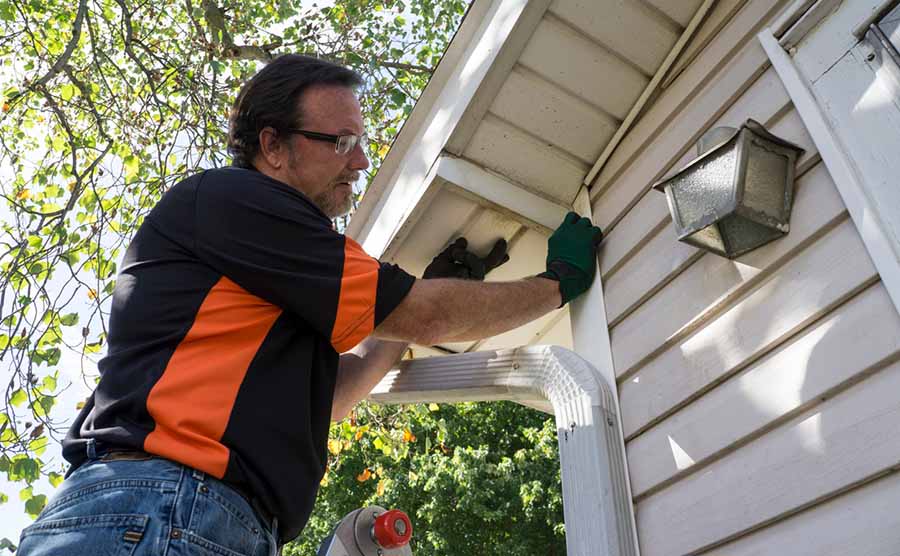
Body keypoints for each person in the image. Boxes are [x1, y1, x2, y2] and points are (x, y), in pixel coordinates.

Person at [16, 54, 602, 556]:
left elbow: (330, 401)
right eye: (341, 142)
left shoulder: (267, 282)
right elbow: (425, 314)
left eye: (363, 143)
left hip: (171, 513)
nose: (361, 161)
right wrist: (556, 284)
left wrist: (411, 308)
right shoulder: (235, 201)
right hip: (163, 506)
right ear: (272, 145)